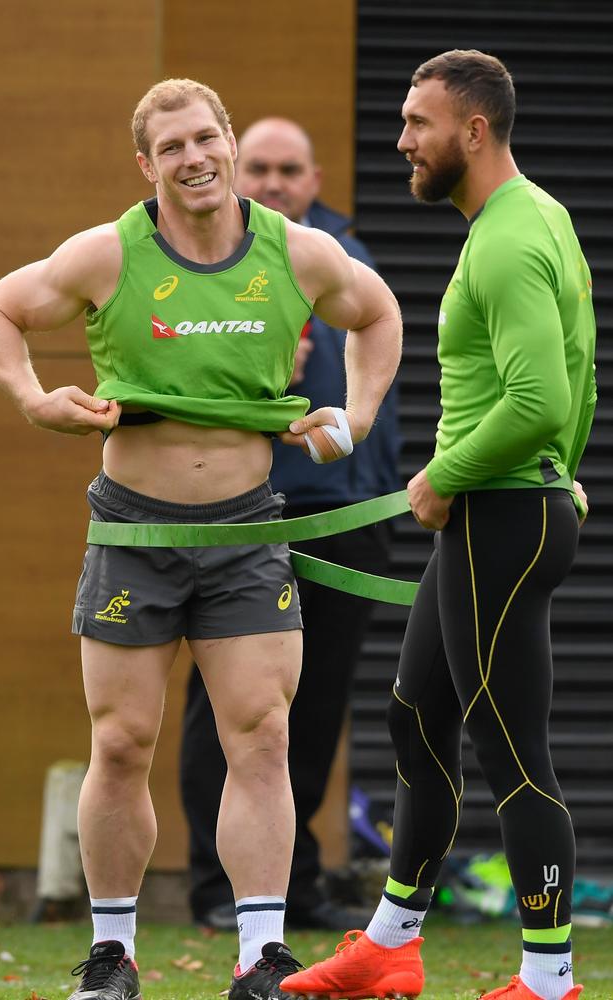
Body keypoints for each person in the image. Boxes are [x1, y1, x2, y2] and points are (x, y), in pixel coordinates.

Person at [0, 80, 402, 1000]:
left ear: (230, 143)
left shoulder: (299, 252)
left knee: (263, 737)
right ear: (146, 165)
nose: (195, 158)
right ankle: (114, 954)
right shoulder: (108, 254)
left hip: (246, 534)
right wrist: (35, 397)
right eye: (173, 147)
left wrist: (353, 419)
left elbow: (378, 315)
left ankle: (259, 958)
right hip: (133, 530)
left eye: (207, 138)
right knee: (121, 742)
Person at [281, 49, 596, 1000]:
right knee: (415, 715)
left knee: (513, 751)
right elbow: (574, 378)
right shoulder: (535, 218)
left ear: (473, 130)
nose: (402, 141)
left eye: (419, 123)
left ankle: (549, 979)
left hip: (500, 511)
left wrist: (450, 474)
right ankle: (389, 941)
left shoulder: (505, 238)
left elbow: (541, 397)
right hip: (503, 506)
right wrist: (558, 477)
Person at [179, 117, 401, 932]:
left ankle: (292, 884)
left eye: (290, 169)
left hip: (347, 514)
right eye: (260, 167)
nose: (273, 182)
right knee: (228, 707)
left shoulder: (343, 254)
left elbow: (383, 365)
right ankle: (215, 890)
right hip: (248, 514)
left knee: (308, 716)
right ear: (239, 171)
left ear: (314, 179)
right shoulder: (206, 260)